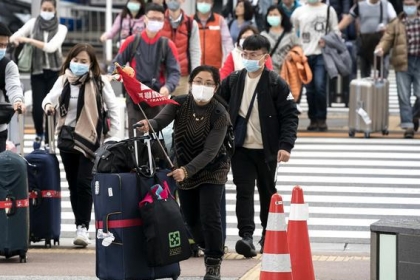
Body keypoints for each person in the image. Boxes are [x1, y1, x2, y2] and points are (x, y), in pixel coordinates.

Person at [136, 65, 230, 280]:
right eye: (198, 81)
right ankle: (208, 245)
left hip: (213, 170)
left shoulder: (219, 113)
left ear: (216, 87)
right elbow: (160, 120)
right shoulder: (180, 102)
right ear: (190, 84)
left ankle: (213, 262)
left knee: (209, 215)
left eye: (208, 83)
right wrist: (148, 124)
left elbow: (209, 152)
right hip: (184, 168)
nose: (202, 87)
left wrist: (186, 171)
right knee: (189, 218)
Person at [218, 34, 298, 257]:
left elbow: (290, 116)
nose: (248, 58)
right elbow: (218, 104)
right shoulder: (233, 80)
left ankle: (268, 234)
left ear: (265, 57)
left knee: (267, 193)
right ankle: (246, 236)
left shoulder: (276, 83)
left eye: (253, 55)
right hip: (241, 149)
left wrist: (286, 145)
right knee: (243, 191)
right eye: (245, 54)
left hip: (267, 150)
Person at [42, 43, 120, 247]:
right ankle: (80, 226)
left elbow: (113, 108)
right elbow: (47, 99)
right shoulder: (63, 80)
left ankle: (83, 228)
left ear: (92, 63)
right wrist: (49, 105)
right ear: (69, 61)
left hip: (90, 141)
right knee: (73, 185)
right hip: (67, 140)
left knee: (84, 183)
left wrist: (111, 137)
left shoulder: (100, 82)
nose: (78, 64)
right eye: (75, 60)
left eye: (83, 61)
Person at [112, 3, 181, 137]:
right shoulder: (131, 41)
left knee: (158, 139)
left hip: (157, 97)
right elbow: (116, 66)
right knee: (137, 140)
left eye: (159, 19)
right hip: (135, 96)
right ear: (145, 19)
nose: (156, 22)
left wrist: (168, 87)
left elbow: (175, 72)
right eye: (152, 18)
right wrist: (120, 76)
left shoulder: (167, 45)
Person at [10, 0, 67, 149]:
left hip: (55, 72)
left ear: (55, 10)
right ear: (40, 9)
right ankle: (39, 134)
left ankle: (49, 140)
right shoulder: (32, 23)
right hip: (37, 71)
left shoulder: (61, 28)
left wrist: (27, 39)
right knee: (37, 107)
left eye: (49, 9)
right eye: (44, 9)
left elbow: (51, 47)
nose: (46, 12)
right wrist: (16, 40)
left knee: (51, 106)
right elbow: (14, 37)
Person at [291, 0, 339, 131]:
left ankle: (321, 118)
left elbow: (336, 31)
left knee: (320, 86)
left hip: (322, 54)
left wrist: (328, 40)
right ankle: (313, 119)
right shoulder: (298, 12)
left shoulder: (329, 10)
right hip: (304, 55)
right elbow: (293, 32)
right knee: (310, 89)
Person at [375, 0, 420, 138]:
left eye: (411, 4)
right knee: (403, 95)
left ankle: (413, 116)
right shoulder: (397, 22)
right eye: (406, 4)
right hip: (402, 62)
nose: (408, 7)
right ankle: (408, 126)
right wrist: (381, 47)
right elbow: (387, 38)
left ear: (418, 4)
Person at [338, 0, 397, 78]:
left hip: (382, 45)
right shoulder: (360, 6)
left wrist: (387, 28)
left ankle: (381, 87)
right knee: (364, 75)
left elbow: (395, 23)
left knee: (383, 73)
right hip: (365, 44)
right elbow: (349, 19)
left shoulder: (387, 5)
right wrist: (336, 29)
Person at [161, 0, 201, 96]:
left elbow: (195, 51)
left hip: (182, 77)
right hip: (161, 77)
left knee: (181, 109)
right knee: (160, 109)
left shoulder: (191, 24)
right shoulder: (159, 21)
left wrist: (195, 75)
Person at [0, 22, 25, 152]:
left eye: (4, 45)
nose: (2, 49)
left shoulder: (8, 66)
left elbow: (13, 85)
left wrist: (17, 100)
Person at [194, 0, 234, 69]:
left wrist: (228, 63)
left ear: (212, 3)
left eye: (207, 2)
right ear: (196, 2)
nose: (204, 4)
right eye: (200, 1)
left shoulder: (219, 20)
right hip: (195, 66)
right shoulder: (190, 21)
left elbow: (227, 43)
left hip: (214, 67)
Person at [261, 5, 300, 72]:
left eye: (275, 14)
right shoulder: (263, 35)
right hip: (270, 71)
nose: (272, 17)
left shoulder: (290, 33)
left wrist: (292, 54)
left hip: (288, 70)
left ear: (282, 16)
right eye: (270, 15)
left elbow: (299, 48)